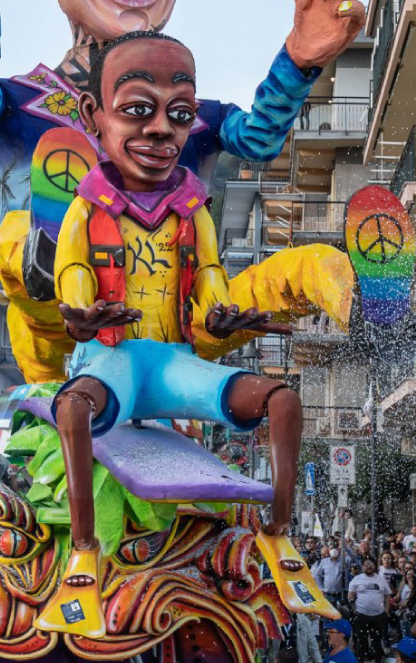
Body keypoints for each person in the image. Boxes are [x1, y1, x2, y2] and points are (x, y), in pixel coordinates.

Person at [0, 0, 366, 384]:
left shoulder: (185, 112)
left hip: (175, 336)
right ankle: (54, 278)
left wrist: (299, 60)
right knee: (22, 238)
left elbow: (259, 137)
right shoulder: (26, 103)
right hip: (61, 351)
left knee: (301, 272)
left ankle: (370, 303)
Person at [40, 32, 326, 633]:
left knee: (282, 400)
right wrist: (79, 311)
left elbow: (212, 276)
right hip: (111, 362)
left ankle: (277, 530)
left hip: (172, 363)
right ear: (96, 117)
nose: (161, 131)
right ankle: (84, 549)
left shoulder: (192, 209)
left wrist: (223, 313)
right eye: (138, 111)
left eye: (180, 114)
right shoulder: (88, 207)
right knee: (72, 409)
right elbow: (70, 268)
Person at [348, 558, 391, 661]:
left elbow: (388, 595)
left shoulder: (381, 579)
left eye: (371, 564)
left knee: (376, 642)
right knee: (361, 642)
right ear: (363, 567)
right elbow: (350, 596)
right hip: (361, 615)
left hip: (378, 616)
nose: (369, 566)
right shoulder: (357, 579)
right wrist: (354, 610)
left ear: (375, 566)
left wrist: (386, 610)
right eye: (366, 564)